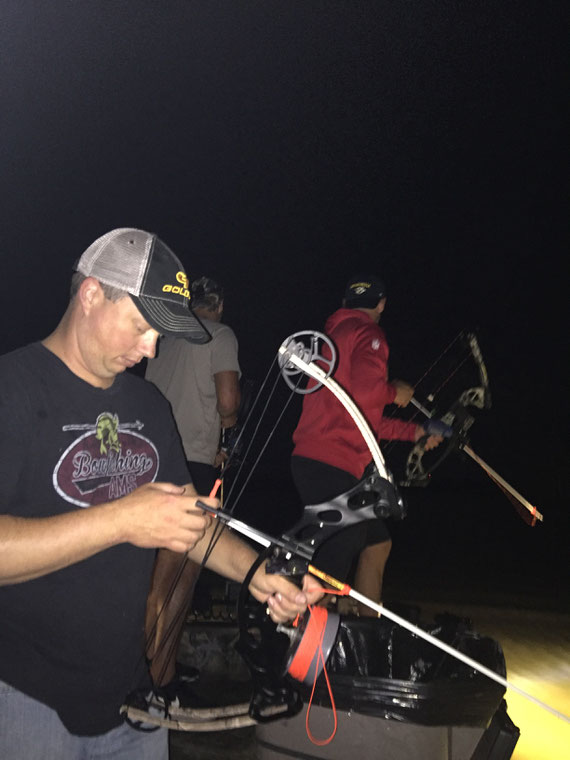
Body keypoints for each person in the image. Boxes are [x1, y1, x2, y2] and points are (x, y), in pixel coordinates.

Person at [0, 228, 321, 760]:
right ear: (91, 295)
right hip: (23, 700)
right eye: (144, 326)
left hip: (134, 700)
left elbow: (190, 521)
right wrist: (123, 520)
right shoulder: (12, 389)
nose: (151, 346)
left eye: (159, 333)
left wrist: (259, 573)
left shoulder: (149, 405)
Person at [290, 273, 442, 615]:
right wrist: (395, 392)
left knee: (376, 543)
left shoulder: (331, 338)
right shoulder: (369, 334)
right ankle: (311, 634)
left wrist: (414, 433)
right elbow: (366, 393)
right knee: (341, 542)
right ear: (381, 305)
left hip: (315, 459)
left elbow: (361, 417)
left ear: (346, 303)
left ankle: (364, 629)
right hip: (332, 463)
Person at [144, 276, 241, 693]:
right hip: (193, 465)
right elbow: (228, 401)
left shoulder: (162, 338)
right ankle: (151, 676)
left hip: (146, 462)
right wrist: (230, 429)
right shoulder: (220, 334)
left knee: (153, 577)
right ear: (218, 307)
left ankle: (156, 670)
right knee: (176, 580)